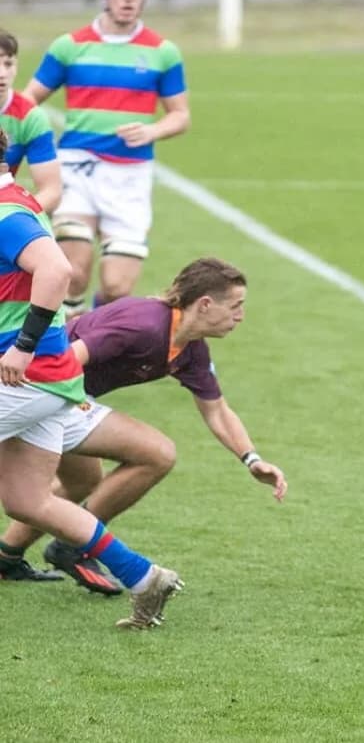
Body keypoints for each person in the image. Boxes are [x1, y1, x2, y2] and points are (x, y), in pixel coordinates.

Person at [0, 256, 287, 596]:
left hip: (67, 399)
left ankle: (11, 555)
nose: (240, 315)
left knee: (82, 481)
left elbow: (217, 410)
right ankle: (72, 546)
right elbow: (67, 358)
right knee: (154, 453)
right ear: (206, 304)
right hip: (46, 392)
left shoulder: (190, 349)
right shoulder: (144, 326)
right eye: (236, 306)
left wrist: (251, 459)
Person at [0, 126, 181, 629]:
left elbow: (56, 272)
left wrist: (23, 345)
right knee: (27, 501)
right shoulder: (13, 202)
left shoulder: (6, 214)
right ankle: (145, 578)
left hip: (26, 376)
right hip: (46, 382)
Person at [22, 0, 190, 317]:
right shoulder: (70, 46)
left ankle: (91, 336)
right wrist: (36, 147)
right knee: (74, 272)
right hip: (76, 171)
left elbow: (180, 115)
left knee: (117, 287)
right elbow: (28, 102)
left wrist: (152, 129)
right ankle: (67, 349)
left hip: (130, 177)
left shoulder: (162, 52)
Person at [0, 29, 62, 213]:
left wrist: (15, 213)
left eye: (8, 63)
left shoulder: (30, 117)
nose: (2, 73)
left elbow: (51, 191)